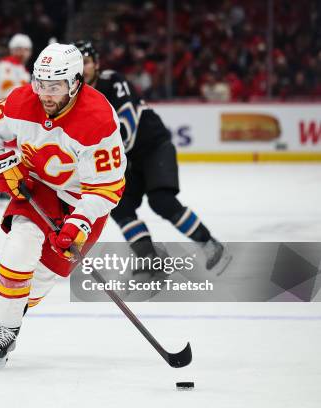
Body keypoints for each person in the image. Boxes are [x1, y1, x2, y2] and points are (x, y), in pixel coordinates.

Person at [0, 43, 126, 370]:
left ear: (76, 83)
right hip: (38, 188)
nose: (46, 94)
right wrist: (1, 164)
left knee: (42, 278)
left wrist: (79, 222)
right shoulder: (23, 100)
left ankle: (7, 312)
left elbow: (107, 186)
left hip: (83, 200)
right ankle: (8, 329)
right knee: (19, 247)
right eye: (40, 84)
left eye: (55, 86)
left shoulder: (97, 119)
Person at [74, 40, 231, 275]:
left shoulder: (113, 81)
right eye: (77, 64)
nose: (82, 68)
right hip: (127, 157)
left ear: (96, 63)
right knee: (119, 206)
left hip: (153, 146)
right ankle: (149, 260)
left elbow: (126, 124)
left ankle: (209, 244)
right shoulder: (76, 97)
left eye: (85, 62)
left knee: (162, 201)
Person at [0, 33, 33, 203]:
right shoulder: (6, 67)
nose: (23, 53)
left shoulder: (23, 70)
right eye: (20, 49)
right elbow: (5, 91)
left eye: (25, 50)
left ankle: (3, 186)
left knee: (10, 152)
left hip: (13, 116)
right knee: (2, 152)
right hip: (3, 115)